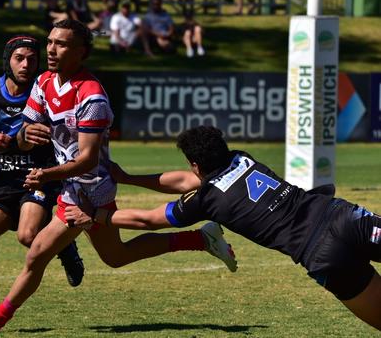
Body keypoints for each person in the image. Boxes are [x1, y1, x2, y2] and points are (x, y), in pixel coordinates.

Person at [0, 20, 237, 337]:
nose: (51, 50)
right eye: (50, 42)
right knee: (115, 257)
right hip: (71, 187)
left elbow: (85, 160)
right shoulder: (44, 82)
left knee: (36, 255)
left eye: (61, 44)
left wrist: (45, 174)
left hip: (91, 192)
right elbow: (25, 136)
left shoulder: (92, 96)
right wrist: (24, 137)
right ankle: (200, 239)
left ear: (81, 52)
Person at [66, 125, 381, 331]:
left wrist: (96, 215)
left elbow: (148, 219)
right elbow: (190, 180)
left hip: (322, 253)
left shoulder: (205, 201)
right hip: (343, 216)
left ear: (196, 165)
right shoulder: (243, 159)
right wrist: (130, 178)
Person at [0, 35, 85, 319]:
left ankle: (66, 247)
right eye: (19, 58)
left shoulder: (46, 91)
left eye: (32, 59)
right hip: (2, 182)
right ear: (7, 61)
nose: (26, 65)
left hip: (38, 177)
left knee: (28, 236)